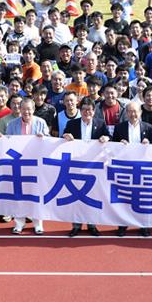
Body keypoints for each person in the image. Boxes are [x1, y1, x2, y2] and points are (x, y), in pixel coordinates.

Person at [61, 97, 111, 237]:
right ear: (80, 110)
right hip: (75, 166)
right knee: (76, 196)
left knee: (92, 196)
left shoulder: (100, 124)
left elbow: (110, 139)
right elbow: (62, 137)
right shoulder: (72, 124)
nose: (86, 112)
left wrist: (107, 138)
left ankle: (92, 224)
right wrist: (65, 136)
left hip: (93, 167)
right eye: (83, 109)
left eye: (89, 110)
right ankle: (76, 225)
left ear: (94, 111)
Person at [4, 99, 49, 234]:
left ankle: (38, 223)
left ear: (33, 109)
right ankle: (19, 222)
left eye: (29, 109)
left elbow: (49, 141)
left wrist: (43, 138)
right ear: (20, 109)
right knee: (18, 193)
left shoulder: (41, 123)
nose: (26, 112)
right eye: (23, 108)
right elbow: (7, 143)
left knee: (36, 193)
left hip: (36, 164)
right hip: (18, 164)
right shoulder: (12, 124)